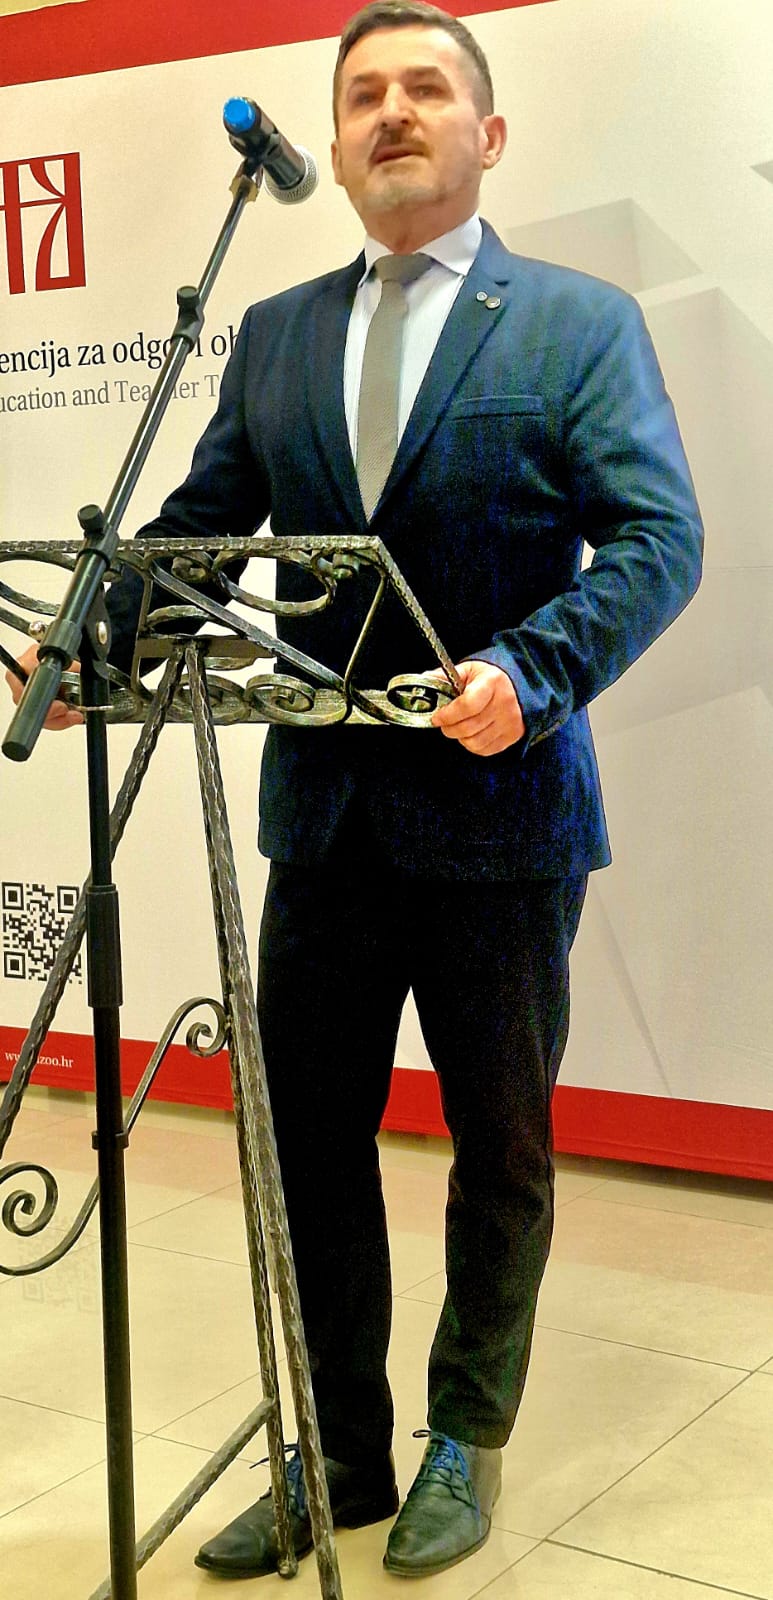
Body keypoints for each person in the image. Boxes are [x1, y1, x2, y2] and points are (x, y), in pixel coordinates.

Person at [7, 0, 703, 1581]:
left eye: (426, 89)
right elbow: (199, 536)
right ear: (331, 146)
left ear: (487, 133)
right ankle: (337, 1449)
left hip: (503, 814)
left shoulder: (574, 322)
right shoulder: (273, 334)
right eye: (364, 94)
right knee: (309, 1146)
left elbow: (658, 538)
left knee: (499, 1147)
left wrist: (529, 671)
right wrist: (94, 637)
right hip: (323, 821)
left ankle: (467, 1432)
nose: (392, 112)